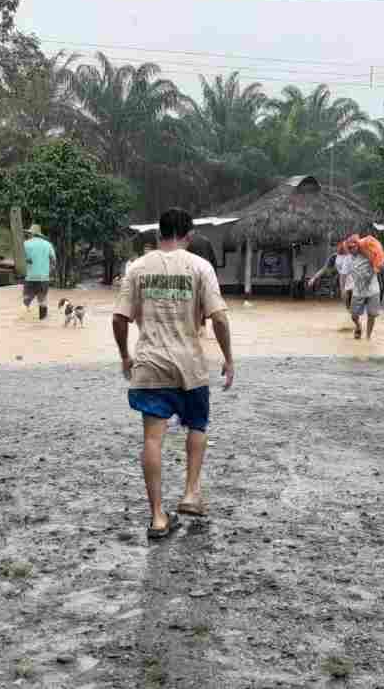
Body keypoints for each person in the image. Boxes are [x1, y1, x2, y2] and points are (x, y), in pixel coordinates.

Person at [112, 208, 235, 541]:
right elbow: (220, 319)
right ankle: (191, 494)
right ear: (189, 236)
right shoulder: (200, 266)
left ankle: (157, 518)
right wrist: (229, 358)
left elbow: (119, 318)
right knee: (197, 426)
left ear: (157, 234)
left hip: (150, 365)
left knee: (152, 439)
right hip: (190, 366)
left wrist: (125, 356)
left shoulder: (136, 268)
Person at [347, 235, 384, 340]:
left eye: (353, 247)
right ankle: (358, 326)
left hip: (373, 290)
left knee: (372, 315)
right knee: (354, 315)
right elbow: (346, 273)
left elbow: (381, 266)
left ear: (357, 246)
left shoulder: (368, 253)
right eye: (349, 248)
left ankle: (368, 338)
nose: (351, 250)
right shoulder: (349, 258)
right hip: (358, 291)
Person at [22, 223, 57, 320]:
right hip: (44, 278)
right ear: (40, 234)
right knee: (42, 301)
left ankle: (22, 321)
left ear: (31, 234)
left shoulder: (25, 244)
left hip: (30, 277)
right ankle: (42, 321)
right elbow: (54, 260)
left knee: (26, 300)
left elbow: (21, 260)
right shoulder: (48, 244)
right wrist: (49, 271)